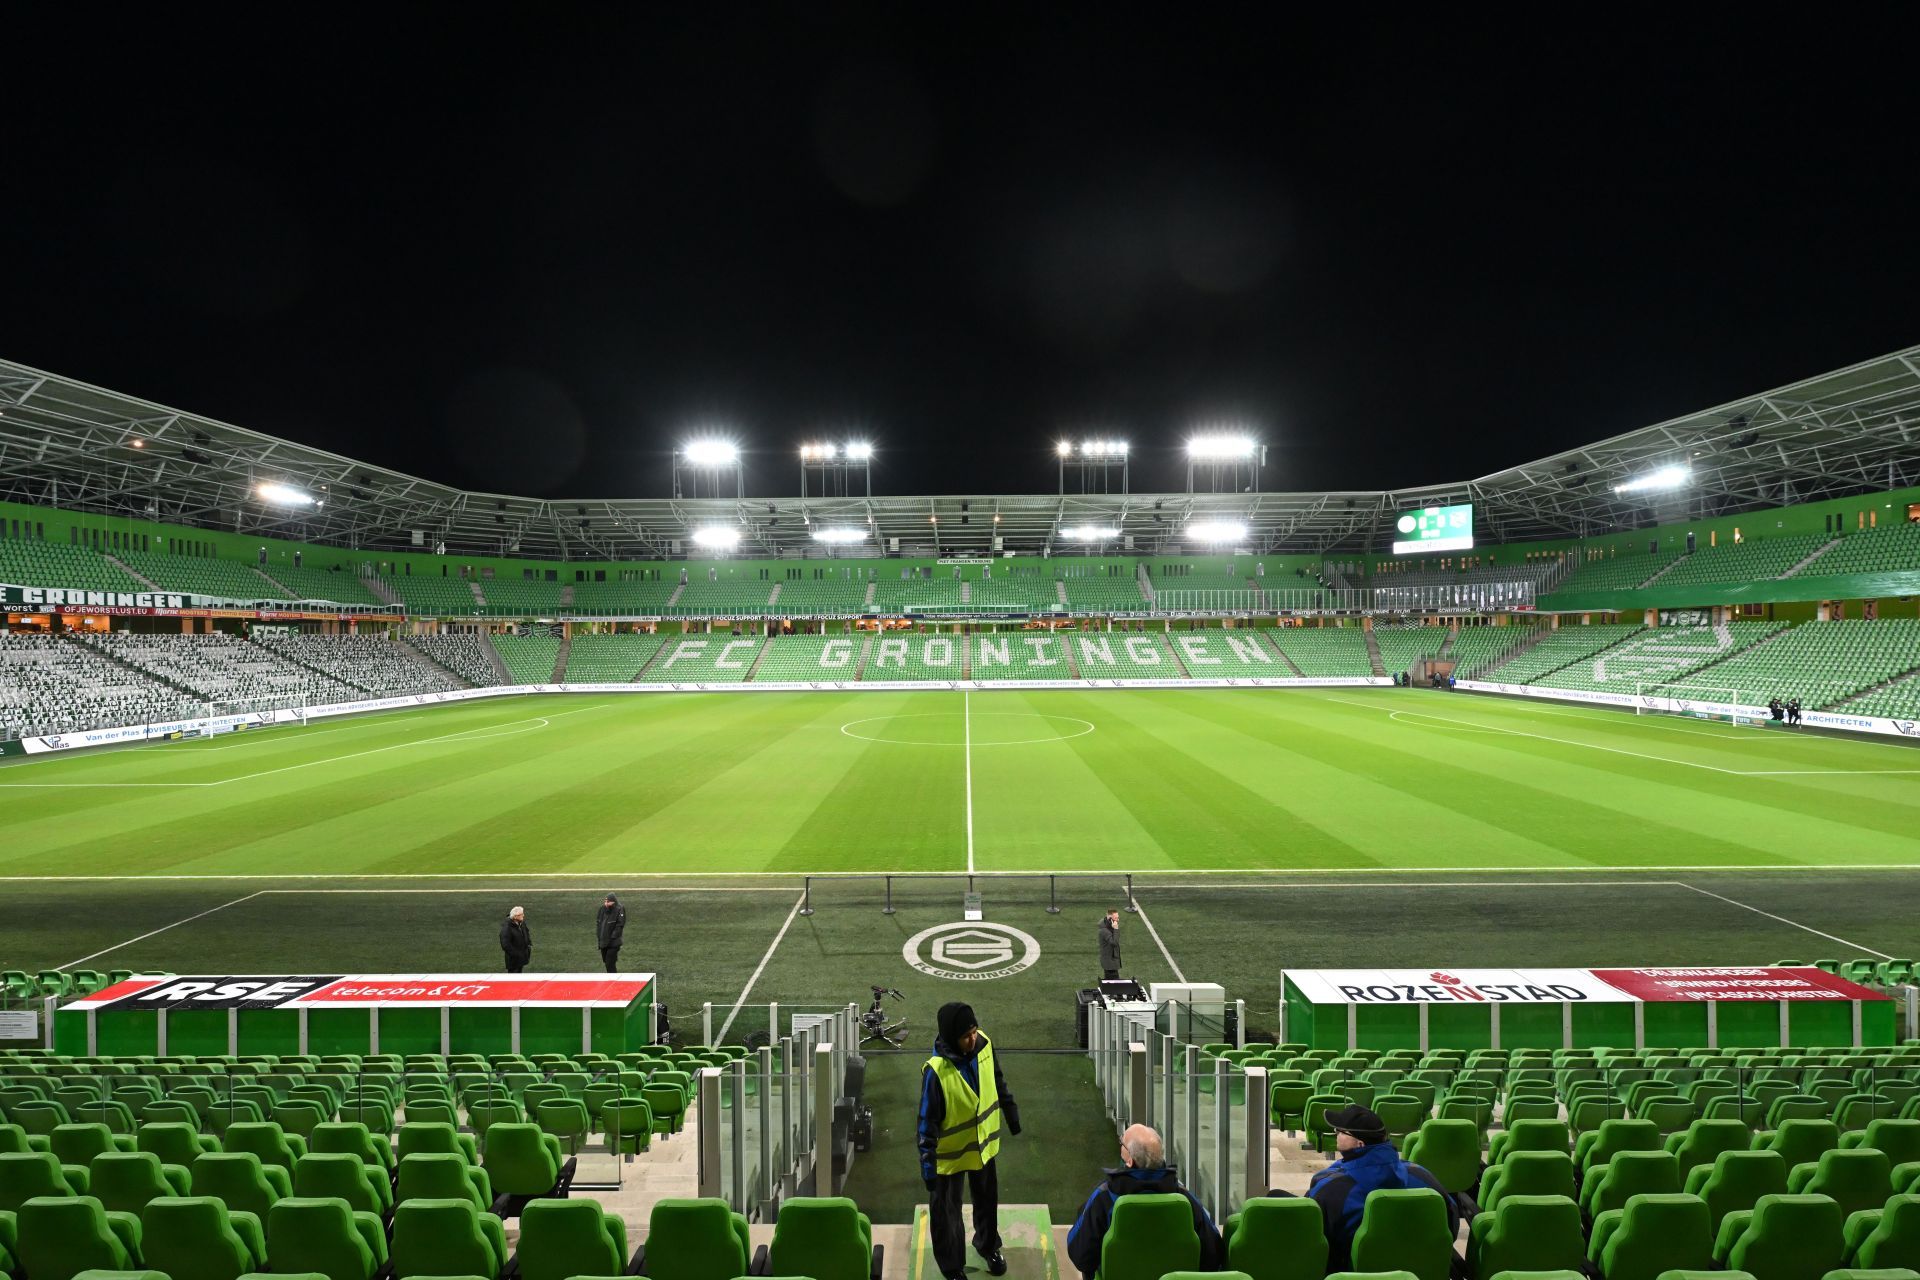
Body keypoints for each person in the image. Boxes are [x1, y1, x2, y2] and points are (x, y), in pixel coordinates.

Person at [919, 1002, 1019, 1280]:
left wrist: (1011, 1112)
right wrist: (928, 1168)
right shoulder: (936, 1072)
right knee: (946, 1215)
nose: (972, 1039)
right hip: (948, 1157)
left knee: (987, 1201)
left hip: (982, 1146)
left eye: (974, 1032)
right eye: (966, 1036)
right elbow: (926, 1125)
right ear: (951, 1037)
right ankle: (952, 1268)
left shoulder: (984, 1045)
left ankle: (988, 1246)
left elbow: (998, 1080)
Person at [1305, 1104, 1459, 1273]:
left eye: (1341, 1131)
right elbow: (1451, 1223)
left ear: (1359, 1144)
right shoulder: (1422, 1175)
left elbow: (1312, 1239)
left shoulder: (1329, 1188)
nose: (1336, 1133)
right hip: (1416, 1271)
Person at [1066, 1124, 1222, 1280]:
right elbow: (1213, 1252)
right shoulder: (1184, 1197)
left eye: (1122, 1143)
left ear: (1130, 1161)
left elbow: (1080, 1254)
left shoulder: (1104, 1196)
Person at [596, 893, 626, 973]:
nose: (606, 903)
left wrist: (613, 937)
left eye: (608, 901)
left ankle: (614, 982)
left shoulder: (619, 909)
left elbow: (620, 925)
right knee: (607, 962)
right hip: (603, 941)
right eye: (605, 901)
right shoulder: (602, 909)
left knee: (609, 962)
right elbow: (599, 923)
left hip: (613, 943)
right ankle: (613, 980)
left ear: (613, 902)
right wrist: (599, 937)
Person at [499, 906, 532, 974]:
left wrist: (528, 944)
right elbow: (505, 945)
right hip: (513, 960)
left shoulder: (521, 923)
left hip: (521, 956)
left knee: (519, 974)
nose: (523, 915)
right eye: (521, 914)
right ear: (515, 917)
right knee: (513, 976)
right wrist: (516, 954)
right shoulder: (507, 928)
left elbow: (526, 932)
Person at [1098, 910, 1122, 980]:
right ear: (1109, 919)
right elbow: (1114, 943)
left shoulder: (1107, 926)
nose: (1118, 920)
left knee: (1110, 984)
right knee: (1114, 985)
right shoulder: (1104, 931)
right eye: (1116, 918)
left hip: (1110, 960)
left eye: (1118, 917)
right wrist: (1116, 929)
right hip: (1110, 963)